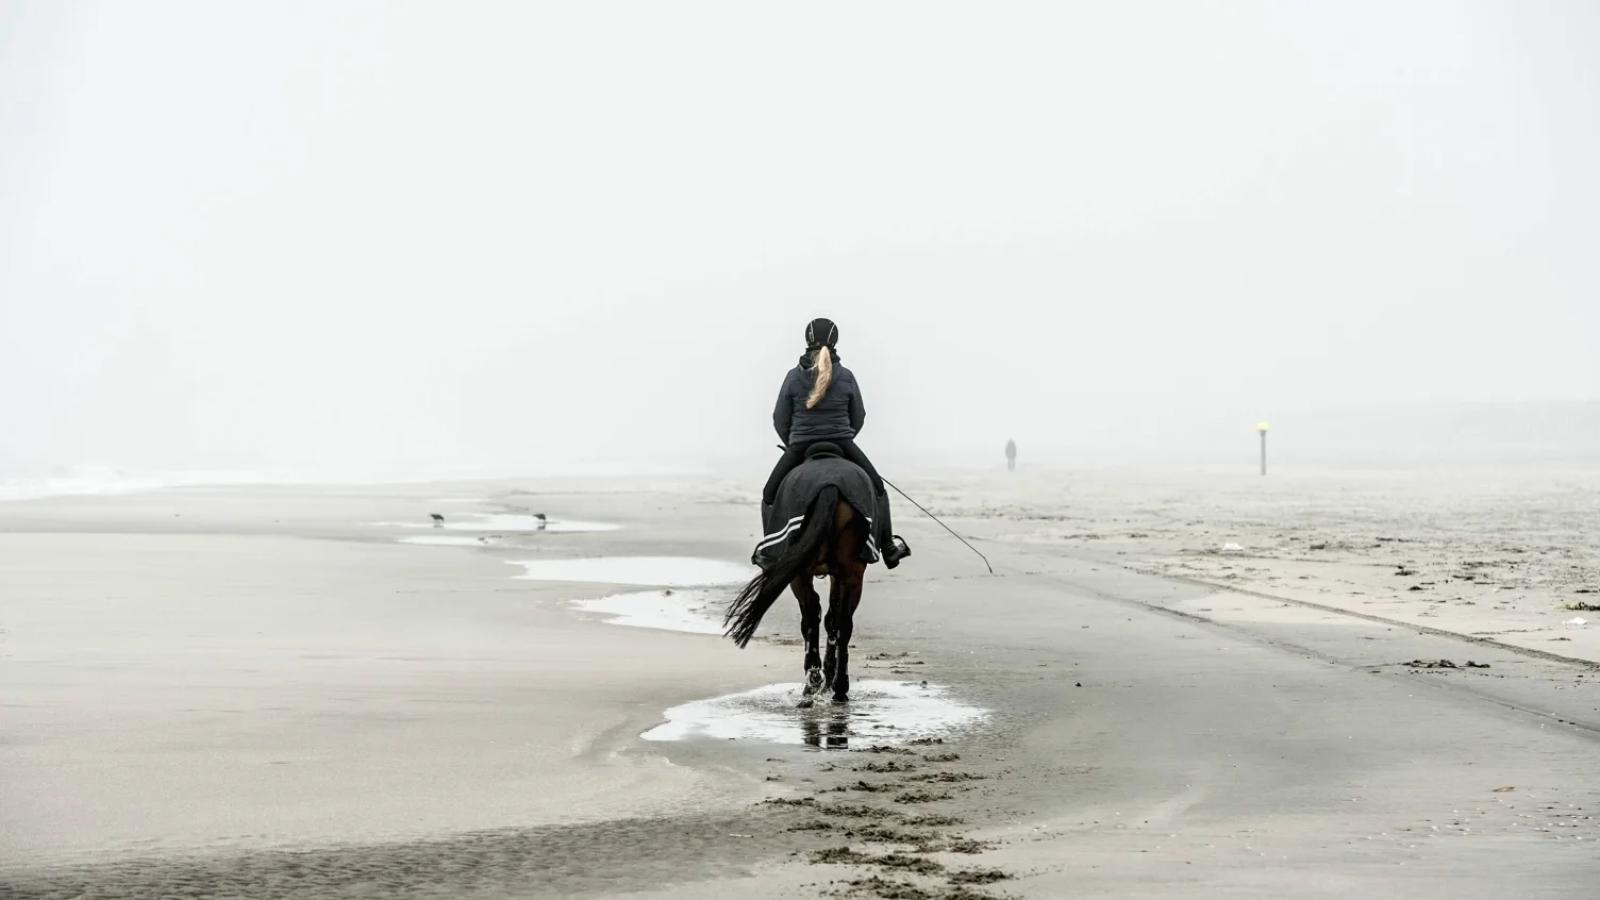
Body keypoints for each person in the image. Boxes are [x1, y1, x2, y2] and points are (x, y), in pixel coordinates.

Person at [764, 318, 910, 569]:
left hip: (800, 444)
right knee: (877, 488)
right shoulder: (847, 376)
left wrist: (792, 443)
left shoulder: (792, 377)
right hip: (842, 441)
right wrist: (845, 438)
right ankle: (887, 547)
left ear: (807, 340)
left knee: (769, 494)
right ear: (835, 340)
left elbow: (779, 419)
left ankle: (769, 554)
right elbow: (859, 416)